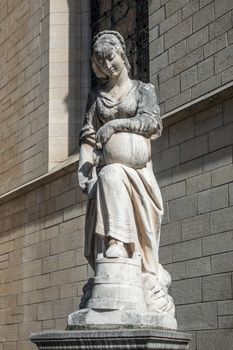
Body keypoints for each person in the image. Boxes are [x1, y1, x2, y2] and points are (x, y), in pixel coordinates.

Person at [78, 30, 174, 314]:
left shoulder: (144, 90)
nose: (108, 65)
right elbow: (87, 136)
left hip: (139, 173)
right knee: (109, 175)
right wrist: (84, 170)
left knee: (115, 174)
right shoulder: (97, 97)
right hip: (108, 173)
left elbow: (150, 123)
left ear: (122, 55)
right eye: (101, 61)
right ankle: (116, 243)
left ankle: (124, 246)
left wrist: (116, 126)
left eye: (111, 58)